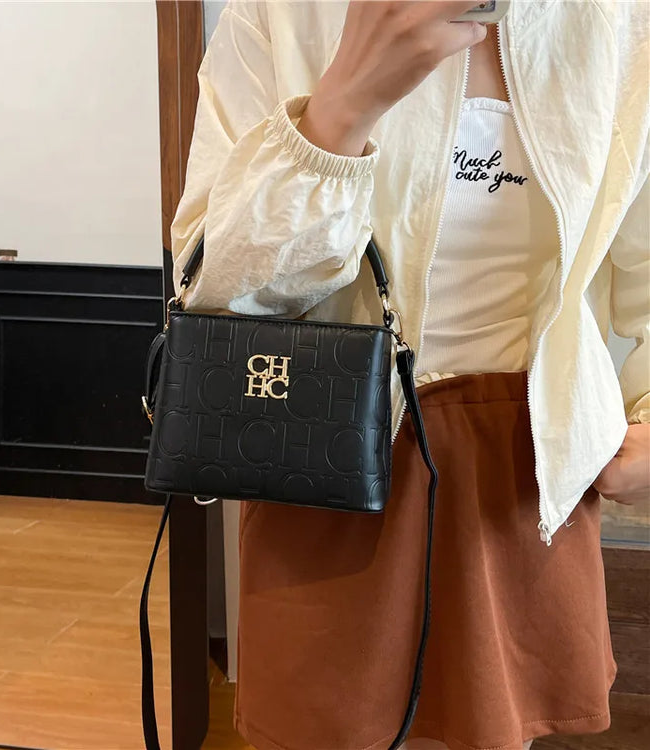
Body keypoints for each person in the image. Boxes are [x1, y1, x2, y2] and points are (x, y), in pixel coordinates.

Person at [170, 1, 650, 748]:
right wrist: (341, 108)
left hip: (524, 478)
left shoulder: (622, 20)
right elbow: (216, 293)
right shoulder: (281, 11)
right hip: (329, 463)